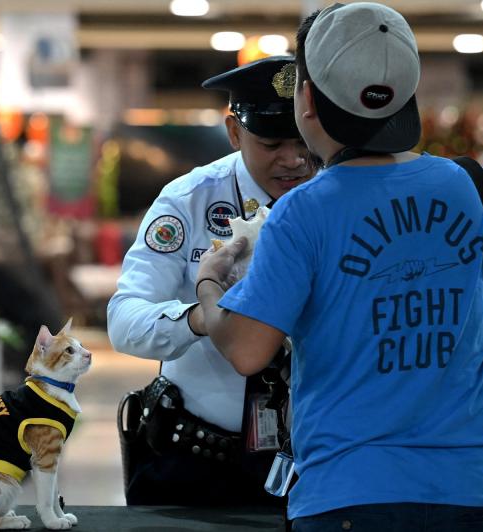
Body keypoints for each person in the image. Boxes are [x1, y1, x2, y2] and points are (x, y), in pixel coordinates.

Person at [196, 3, 483, 531]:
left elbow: (246, 349)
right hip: (471, 491)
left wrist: (210, 283)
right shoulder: (475, 184)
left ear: (306, 99)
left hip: (347, 497)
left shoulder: (302, 211)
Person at [107, 55, 316, 507]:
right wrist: (202, 318)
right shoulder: (190, 201)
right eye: (272, 142)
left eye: (304, 141)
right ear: (235, 132)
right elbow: (124, 319)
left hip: (312, 463)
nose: (294, 159)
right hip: (196, 464)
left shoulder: (334, 199)